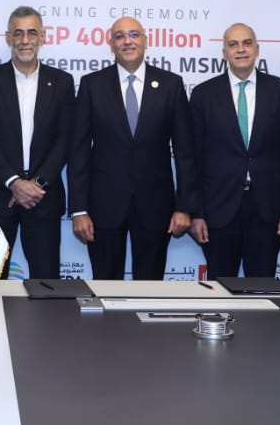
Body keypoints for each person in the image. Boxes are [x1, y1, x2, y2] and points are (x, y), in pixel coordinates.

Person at [68, 17, 197, 280]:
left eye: (134, 35)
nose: (127, 41)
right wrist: (79, 209)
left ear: (145, 41)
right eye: (120, 36)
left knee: (150, 289)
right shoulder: (92, 85)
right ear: (111, 44)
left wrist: (184, 207)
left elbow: (186, 152)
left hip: (156, 206)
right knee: (106, 287)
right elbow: (78, 151)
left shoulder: (171, 84)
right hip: (103, 207)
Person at [188, 23, 280, 278]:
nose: (241, 49)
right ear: (224, 53)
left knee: (262, 288)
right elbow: (192, 158)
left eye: (247, 43)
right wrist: (196, 213)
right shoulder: (203, 95)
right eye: (233, 44)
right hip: (218, 210)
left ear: (257, 49)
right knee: (220, 288)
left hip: (268, 210)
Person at [0, 7, 75, 280]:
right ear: (8, 38)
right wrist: (14, 182)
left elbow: (65, 138)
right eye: (18, 33)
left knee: (46, 286)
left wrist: (37, 184)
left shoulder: (62, 82)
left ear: (42, 37)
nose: (25, 40)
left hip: (44, 198)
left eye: (31, 33)